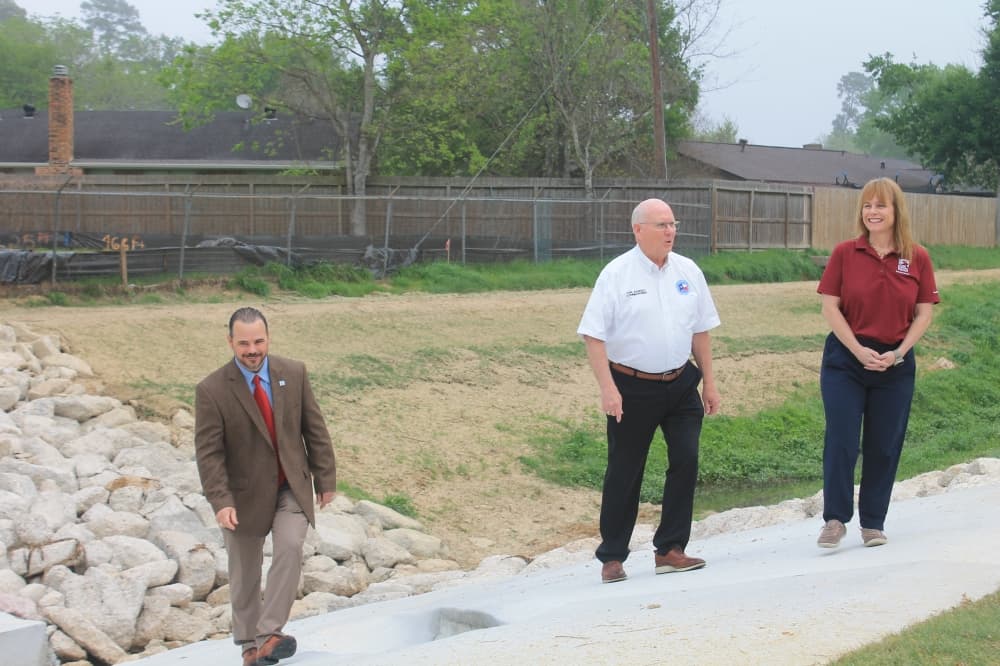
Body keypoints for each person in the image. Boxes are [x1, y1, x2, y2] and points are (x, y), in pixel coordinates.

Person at [578, 198, 721, 584]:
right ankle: (612, 557)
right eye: (661, 225)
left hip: (680, 384)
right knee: (625, 470)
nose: (670, 232)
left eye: (673, 224)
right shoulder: (616, 274)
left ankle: (670, 548)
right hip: (630, 387)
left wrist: (710, 381)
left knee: (686, 459)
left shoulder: (688, 271)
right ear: (638, 230)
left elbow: (701, 330)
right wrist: (608, 389)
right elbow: (593, 336)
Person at [195, 307, 337, 666]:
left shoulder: (294, 373)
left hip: (291, 486)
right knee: (244, 571)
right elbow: (209, 453)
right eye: (243, 343)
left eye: (258, 341)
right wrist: (221, 501)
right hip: (241, 496)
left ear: (268, 338)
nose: (252, 349)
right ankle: (249, 648)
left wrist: (326, 478)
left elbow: (314, 428)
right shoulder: (211, 390)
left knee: (290, 546)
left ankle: (269, 633)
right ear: (230, 342)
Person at [816, 177, 939, 549]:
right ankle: (835, 519)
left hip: (895, 362)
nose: (873, 212)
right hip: (847, 359)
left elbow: (924, 313)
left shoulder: (916, 257)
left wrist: (899, 352)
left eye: (881, 205)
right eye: (867, 205)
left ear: (896, 210)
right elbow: (830, 307)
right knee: (842, 438)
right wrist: (856, 350)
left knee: (885, 444)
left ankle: (873, 522)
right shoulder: (844, 253)